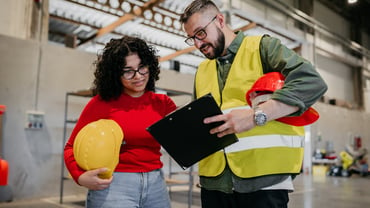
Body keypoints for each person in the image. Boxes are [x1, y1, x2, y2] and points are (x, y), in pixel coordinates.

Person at [180, 0, 328, 207]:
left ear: (220, 20)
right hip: (214, 183)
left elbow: (311, 82)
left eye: (201, 33)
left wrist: (255, 115)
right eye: (191, 38)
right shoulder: (202, 70)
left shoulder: (263, 48)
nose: (197, 44)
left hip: (264, 182)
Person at [64, 35, 176, 208]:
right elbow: (70, 147)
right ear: (115, 73)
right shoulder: (101, 103)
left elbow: (183, 139)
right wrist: (79, 176)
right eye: (128, 71)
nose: (138, 76)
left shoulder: (163, 103)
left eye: (142, 67)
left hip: (156, 185)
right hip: (114, 185)